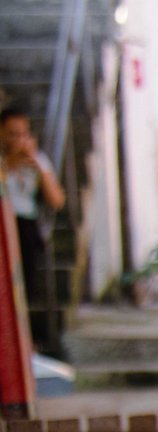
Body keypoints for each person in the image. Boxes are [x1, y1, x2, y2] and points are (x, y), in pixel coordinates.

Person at [1, 107, 66, 346]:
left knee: (26, 281)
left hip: (26, 225)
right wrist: (10, 165)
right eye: (12, 134)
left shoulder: (38, 160)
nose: (18, 140)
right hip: (3, 222)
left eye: (23, 134)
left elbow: (57, 200)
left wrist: (38, 168)